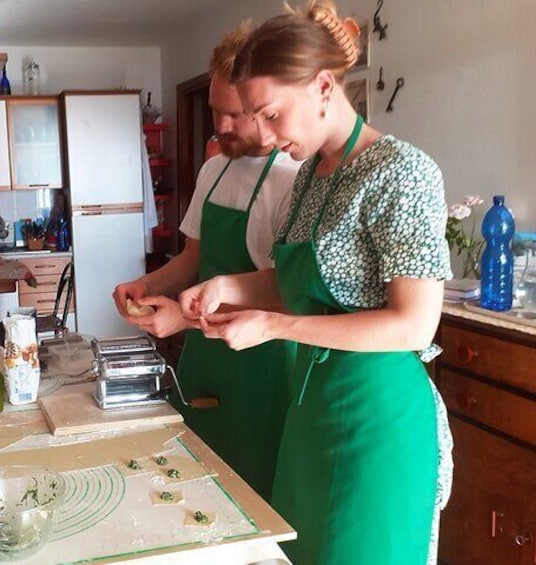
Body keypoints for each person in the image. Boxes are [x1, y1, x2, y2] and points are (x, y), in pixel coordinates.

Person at [179, 2, 453, 563]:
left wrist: (274, 325)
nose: (262, 131)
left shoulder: (401, 173)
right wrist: (226, 288)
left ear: (324, 86)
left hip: (377, 422)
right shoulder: (308, 177)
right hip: (311, 413)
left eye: (271, 113)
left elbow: (413, 324)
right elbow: (294, 285)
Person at [112, 21, 302, 500]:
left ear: (268, 106)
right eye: (217, 110)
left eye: (235, 114)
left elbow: (284, 295)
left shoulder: (293, 181)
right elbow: (194, 258)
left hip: (261, 366)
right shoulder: (214, 169)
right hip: (204, 360)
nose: (220, 126)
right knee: (192, 487)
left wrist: (183, 319)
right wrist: (146, 283)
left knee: (250, 497)